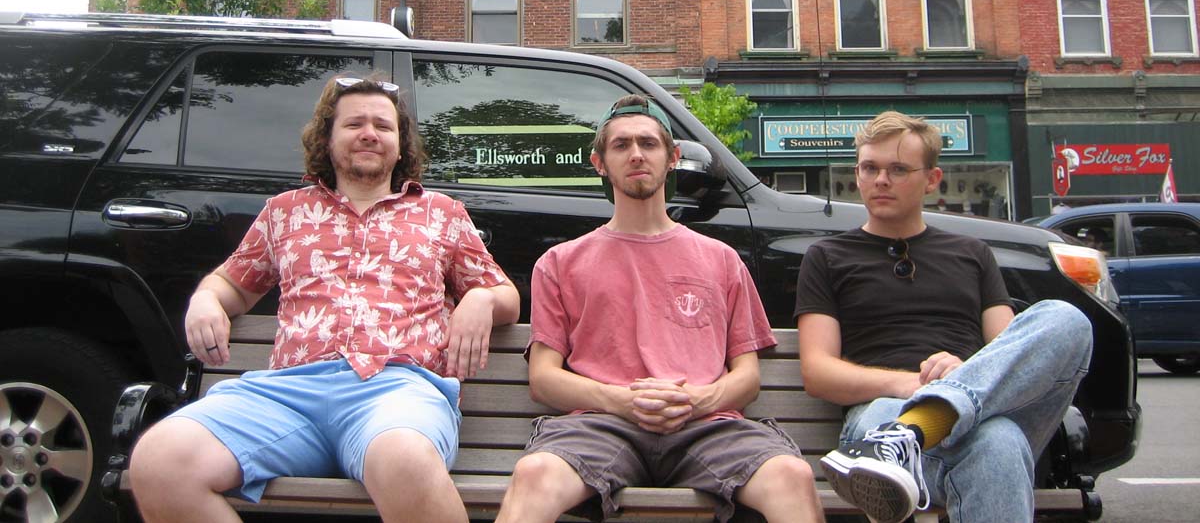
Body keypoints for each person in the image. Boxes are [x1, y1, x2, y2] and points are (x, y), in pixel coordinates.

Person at [130, 74, 520, 523]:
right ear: (327, 139)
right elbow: (233, 285)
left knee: (405, 460)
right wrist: (205, 299)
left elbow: (504, 294)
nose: (369, 133)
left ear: (400, 145)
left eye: (383, 126)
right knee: (160, 461)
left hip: (396, 393)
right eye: (354, 124)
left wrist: (480, 300)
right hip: (287, 397)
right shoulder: (284, 212)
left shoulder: (442, 214)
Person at [495, 95, 824, 523]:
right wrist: (622, 401)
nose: (636, 154)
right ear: (599, 163)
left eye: (648, 144)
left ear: (673, 158)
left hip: (707, 427)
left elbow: (747, 377)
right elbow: (543, 379)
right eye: (621, 145)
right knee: (534, 475)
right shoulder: (560, 263)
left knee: (792, 477)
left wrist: (697, 400)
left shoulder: (721, 259)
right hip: (600, 426)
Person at [795, 111, 1093, 523]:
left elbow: (1009, 351)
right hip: (882, 420)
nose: (881, 180)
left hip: (976, 417)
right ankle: (911, 430)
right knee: (999, 444)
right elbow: (818, 372)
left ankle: (927, 422)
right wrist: (912, 386)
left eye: (898, 169)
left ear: (932, 179)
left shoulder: (972, 253)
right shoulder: (827, 257)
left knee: (1067, 318)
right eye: (869, 168)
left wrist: (959, 379)